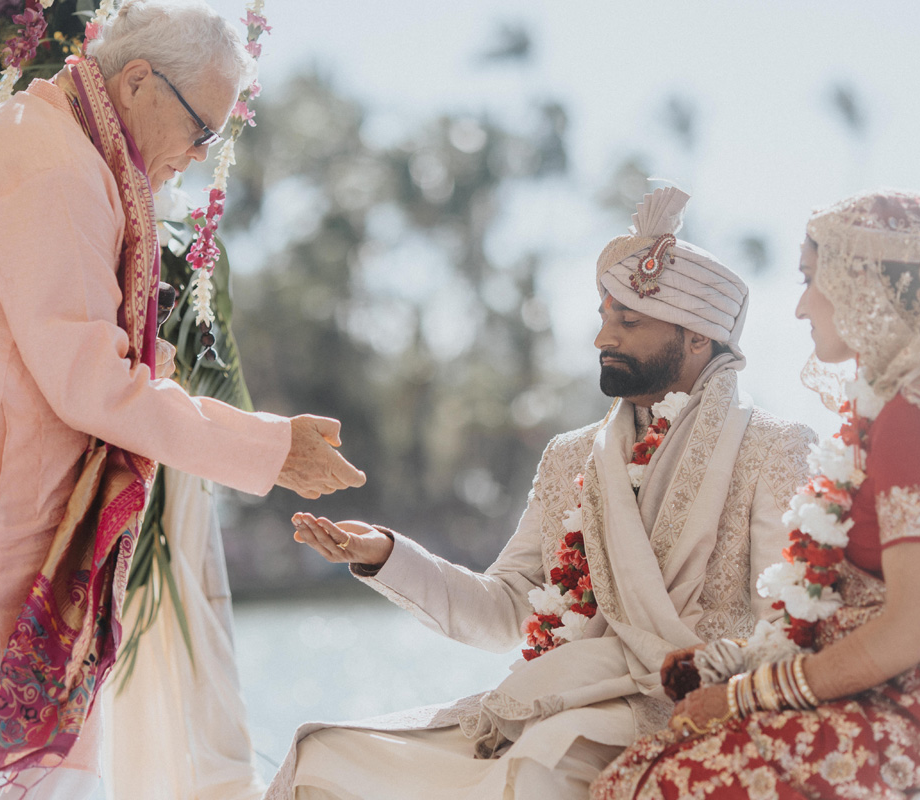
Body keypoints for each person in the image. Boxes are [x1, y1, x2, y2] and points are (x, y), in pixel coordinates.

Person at [0, 1, 365, 797]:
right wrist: (268, 449)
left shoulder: (36, 137)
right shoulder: (50, 167)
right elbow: (97, 383)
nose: (201, 157)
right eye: (203, 130)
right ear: (137, 82)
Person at [265, 186, 816, 800]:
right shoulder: (570, 457)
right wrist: (385, 556)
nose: (602, 336)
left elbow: (786, 629)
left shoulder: (772, 448)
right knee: (325, 756)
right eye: (603, 316)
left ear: (698, 338)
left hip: (682, 716)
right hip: (555, 701)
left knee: (534, 771)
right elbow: (506, 610)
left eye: (628, 321)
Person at [591, 190, 920, 799]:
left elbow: (913, 629)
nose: (803, 306)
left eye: (812, 280)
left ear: (869, 285)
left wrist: (744, 694)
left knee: (664, 781)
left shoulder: (918, 417)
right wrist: (741, 660)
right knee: (647, 763)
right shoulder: (901, 404)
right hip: (913, 694)